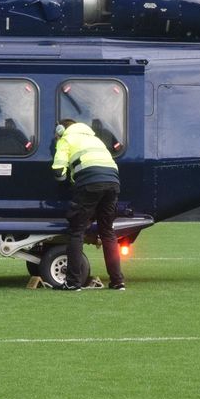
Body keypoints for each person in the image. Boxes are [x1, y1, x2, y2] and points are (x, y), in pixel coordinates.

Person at [51, 120, 125, 292]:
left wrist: (69, 182)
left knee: (77, 231)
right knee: (107, 232)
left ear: (61, 130)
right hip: (113, 183)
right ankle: (117, 281)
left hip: (89, 184)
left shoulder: (66, 139)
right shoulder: (96, 140)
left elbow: (58, 171)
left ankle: (73, 282)